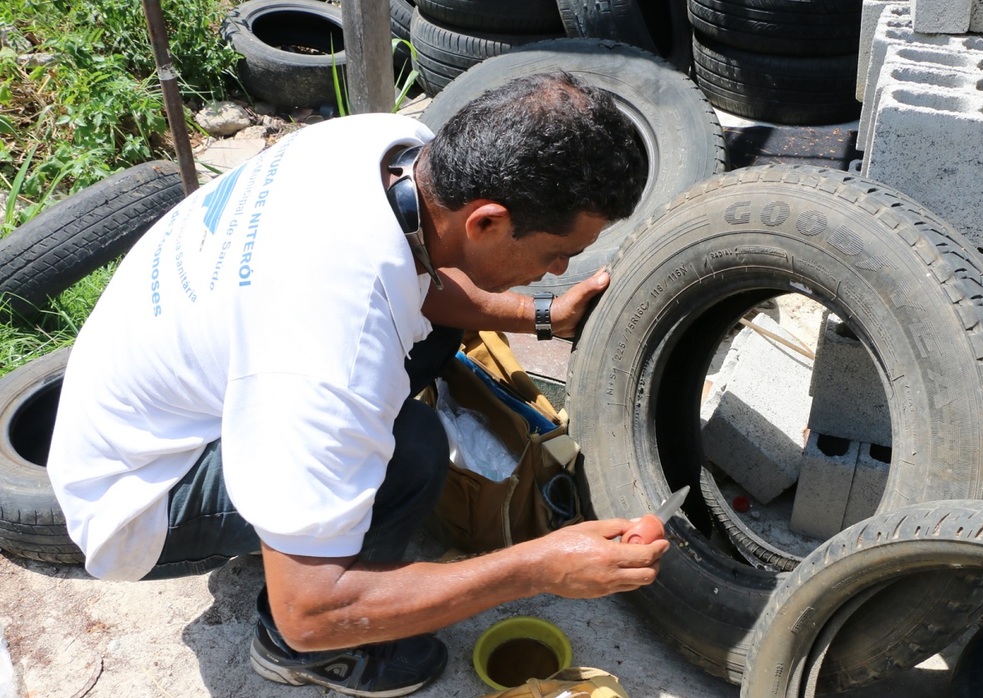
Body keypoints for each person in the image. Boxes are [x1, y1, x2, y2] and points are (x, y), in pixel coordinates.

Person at [47, 71, 663, 696]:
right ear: (486, 221)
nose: (558, 270)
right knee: (413, 450)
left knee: (432, 344)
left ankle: (300, 507)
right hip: (137, 499)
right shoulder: (328, 350)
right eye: (557, 254)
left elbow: (427, 283)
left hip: (167, 384)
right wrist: (539, 566)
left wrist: (542, 315)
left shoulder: (388, 149)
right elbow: (311, 611)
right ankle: (293, 658)